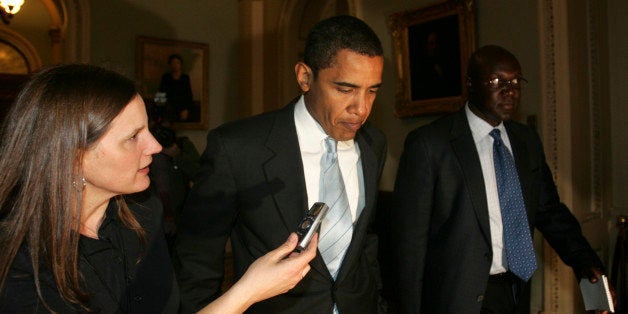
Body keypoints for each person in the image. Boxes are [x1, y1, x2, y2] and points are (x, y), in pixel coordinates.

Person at [0, 64, 317, 313]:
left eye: (148, 129)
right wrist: (248, 291)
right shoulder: (19, 260)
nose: (153, 145)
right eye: (133, 137)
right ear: (71, 156)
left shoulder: (142, 214)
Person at [175, 15, 387, 313]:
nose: (361, 109)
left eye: (373, 90)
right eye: (345, 89)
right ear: (304, 77)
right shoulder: (237, 148)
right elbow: (197, 261)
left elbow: (364, 242)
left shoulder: (373, 144)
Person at [390, 45, 610, 314]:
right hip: (455, 298)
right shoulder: (430, 144)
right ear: (470, 84)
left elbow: (550, 212)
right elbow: (408, 246)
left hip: (515, 291)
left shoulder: (526, 141)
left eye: (516, 81)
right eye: (498, 82)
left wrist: (585, 262)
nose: (510, 90)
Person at [149, 124, 200, 252]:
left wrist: (177, 156)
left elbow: (199, 175)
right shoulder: (146, 149)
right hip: (153, 217)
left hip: (180, 214)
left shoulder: (183, 146)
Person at [159, 54, 196, 122]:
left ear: (180, 64)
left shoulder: (185, 78)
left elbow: (188, 94)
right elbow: (161, 93)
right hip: (169, 106)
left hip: (182, 107)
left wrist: (186, 109)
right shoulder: (166, 77)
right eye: (173, 63)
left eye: (177, 63)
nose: (175, 65)